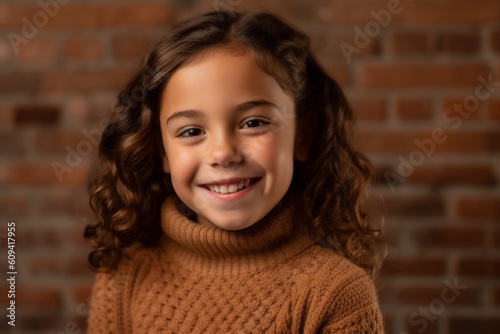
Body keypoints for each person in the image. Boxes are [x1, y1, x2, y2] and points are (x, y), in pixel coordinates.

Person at [85, 9, 385, 333]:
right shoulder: (124, 277)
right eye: (190, 131)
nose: (222, 153)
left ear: (303, 135)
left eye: (253, 123)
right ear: (161, 150)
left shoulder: (337, 293)